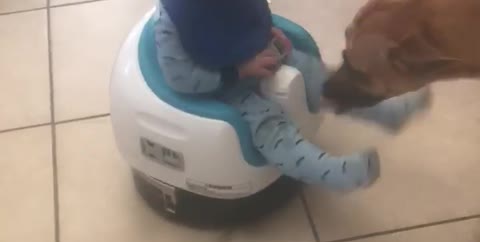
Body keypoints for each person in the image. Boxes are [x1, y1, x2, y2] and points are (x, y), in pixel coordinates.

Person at [154, 0, 429, 191]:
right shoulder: (175, 18)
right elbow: (180, 78)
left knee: (320, 77)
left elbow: (246, 15)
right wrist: (238, 72)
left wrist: (265, 31)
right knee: (270, 128)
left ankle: (386, 114)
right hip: (219, 86)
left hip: (255, 55)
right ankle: (332, 174)